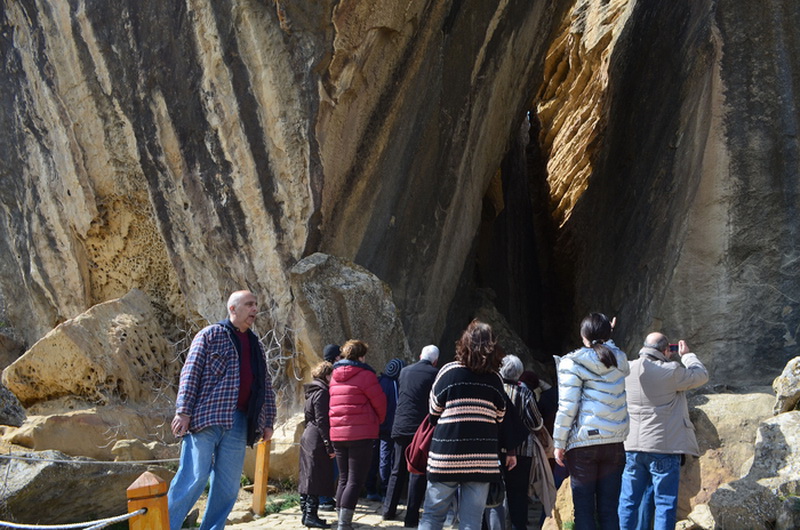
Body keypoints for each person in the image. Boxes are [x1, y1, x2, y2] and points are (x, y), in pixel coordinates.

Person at [167, 290, 276, 530]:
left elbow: (265, 385)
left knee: (227, 486)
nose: (255, 310)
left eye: (256, 305)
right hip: (205, 419)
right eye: (249, 305)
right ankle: (167, 527)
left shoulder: (256, 344)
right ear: (233, 309)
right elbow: (190, 373)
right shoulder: (210, 334)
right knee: (194, 478)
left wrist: (268, 421)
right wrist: (183, 411)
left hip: (239, 422)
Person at [419, 320, 515, 530]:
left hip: (446, 456)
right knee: (471, 521)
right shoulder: (495, 380)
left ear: (463, 343)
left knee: (432, 516)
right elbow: (500, 416)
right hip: (481, 460)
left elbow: (433, 411)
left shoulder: (448, 372)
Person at [617, 333, 708, 529]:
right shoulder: (670, 371)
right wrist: (687, 356)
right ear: (666, 350)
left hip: (632, 446)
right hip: (663, 447)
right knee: (665, 503)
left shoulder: (627, 369)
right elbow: (701, 375)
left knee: (628, 501)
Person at [552, 313, 629, 530]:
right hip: (614, 443)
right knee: (609, 510)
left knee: (584, 510)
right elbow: (607, 351)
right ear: (608, 334)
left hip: (584, 446)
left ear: (582, 334)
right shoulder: (619, 359)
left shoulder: (572, 361)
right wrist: (609, 336)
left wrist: (559, 443)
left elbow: (567, 406)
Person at [329, 340, 387, 530]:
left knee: (344, 478)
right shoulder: (366, 375)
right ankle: (344, 524)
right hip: (360, 434)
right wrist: (377, 421)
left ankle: (341, 521)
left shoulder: (334, 376)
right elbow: (380, 403)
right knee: (355, 480)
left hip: (338, 434)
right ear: (361, 356)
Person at [489, 354, 548, 530]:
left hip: (495, 450)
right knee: (518, 495)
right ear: (520, 373)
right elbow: (536, 423)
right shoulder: (524, 392)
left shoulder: (494, 389)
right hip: (522, 451)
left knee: (492, 492)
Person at [383, 345, 440, 526]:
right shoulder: (435, 374)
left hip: (400, 426)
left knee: (397, 469)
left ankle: (388, 510)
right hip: (420, 430)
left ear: (419, 355)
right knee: (417, 470)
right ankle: (411, 517)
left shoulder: (405, 371)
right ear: (436, 361)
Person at [299, 361, 336, 528]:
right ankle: (310, 515)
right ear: (327, 375)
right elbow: (322, 421)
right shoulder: (322, 393)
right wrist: (329, 446)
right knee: (314, 476)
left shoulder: (311, 391)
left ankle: (306, 514)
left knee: (308, 475)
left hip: (308, 434)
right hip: (316, 438)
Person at [366, 358, 406, 501]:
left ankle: (370, 489)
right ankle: (385, 491)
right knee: (386, 459)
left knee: (373, 458)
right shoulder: (394, 385)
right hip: (387, 429)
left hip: (374, 427)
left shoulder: (378, 381)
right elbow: (395, 407)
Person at [320, 344, 342, 511]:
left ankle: (325, 497)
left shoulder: (324, 375)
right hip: (327, 428)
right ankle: (323, 498)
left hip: (328, 427)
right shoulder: (329, 378)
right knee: (329, 465)